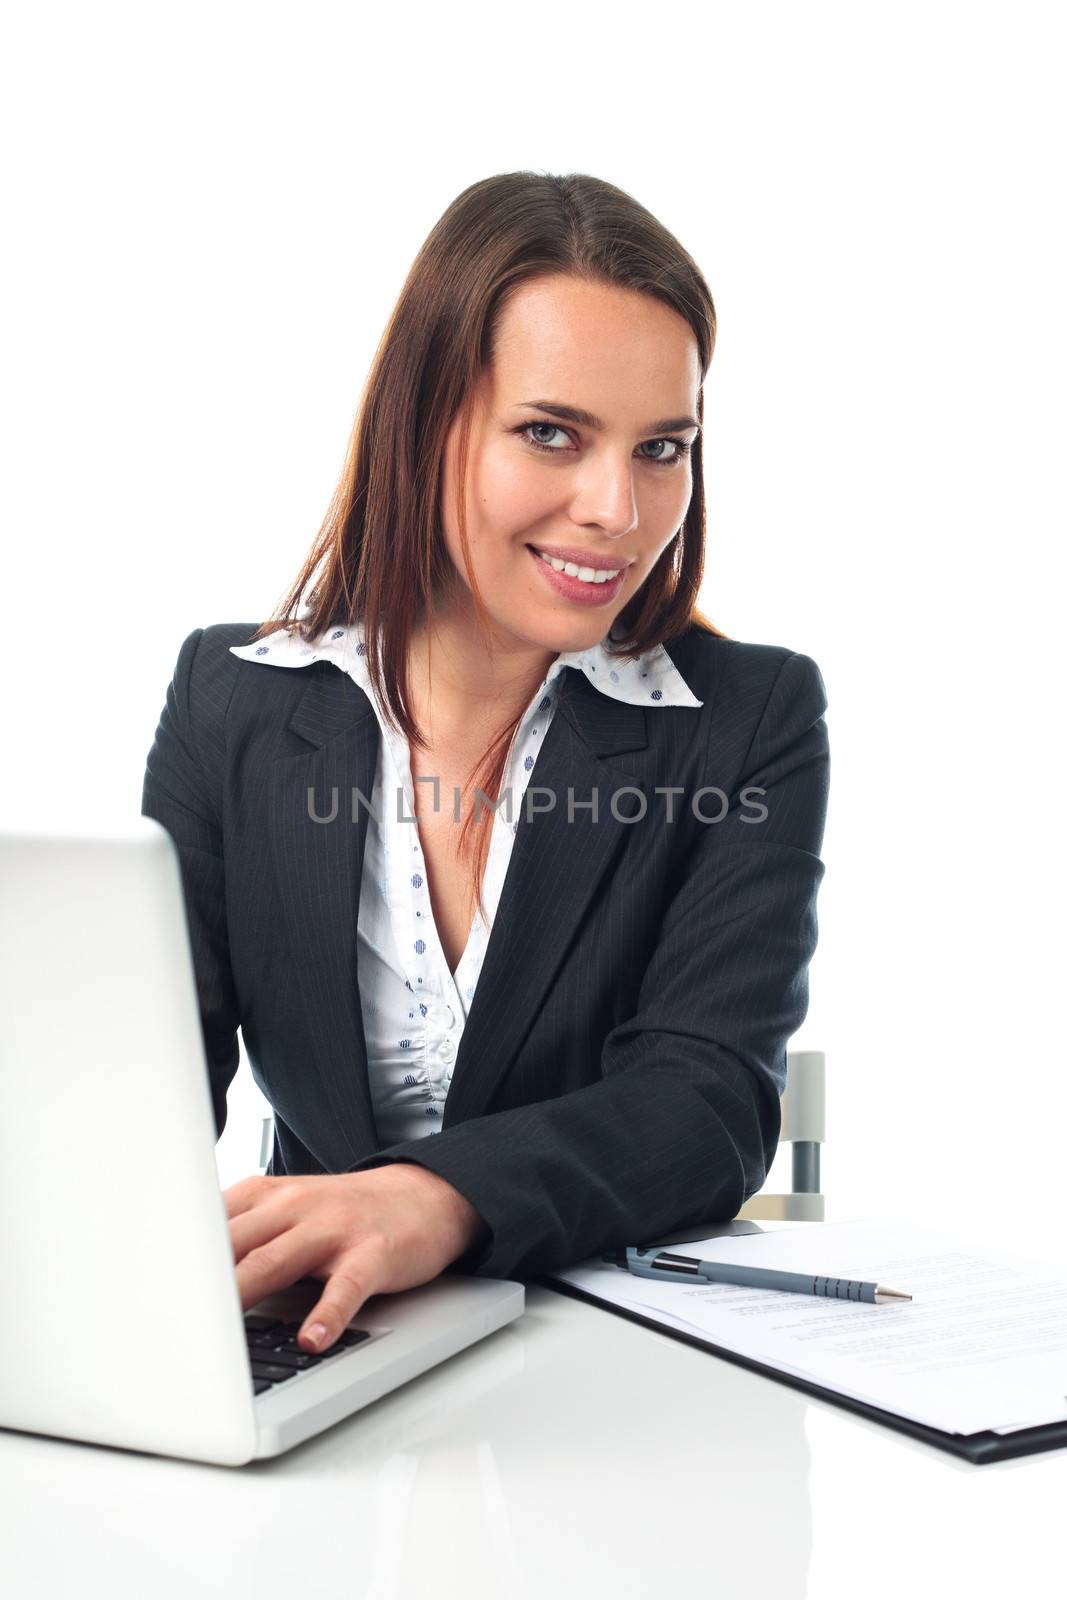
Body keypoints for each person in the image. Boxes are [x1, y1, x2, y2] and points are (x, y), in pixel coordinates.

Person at [142, 170, 830, 1358]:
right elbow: (147, 1085)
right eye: (550, 433)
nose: (617, 507)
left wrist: (433, 1198)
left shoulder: (745, 716)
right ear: (426, 422)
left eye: (661, 447)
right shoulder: (234, 702)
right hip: (326, 1336)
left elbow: (709, 1104)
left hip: (611, 1358)